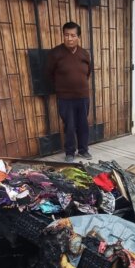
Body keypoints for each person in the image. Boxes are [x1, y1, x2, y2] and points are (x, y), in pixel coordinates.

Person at [46, 21, 92, 162]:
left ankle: (83, 150)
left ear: (78, 37)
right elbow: (48, 73)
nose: (69, 38)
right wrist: (61, 88)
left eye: (73, 35)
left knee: (83, 125)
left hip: (83, 97)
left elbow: (88, 72)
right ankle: (70, 152)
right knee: (70, 126)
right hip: (65, 99)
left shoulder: (84, 54)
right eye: (66, 35)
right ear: (63, 36)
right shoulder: (55, 53)